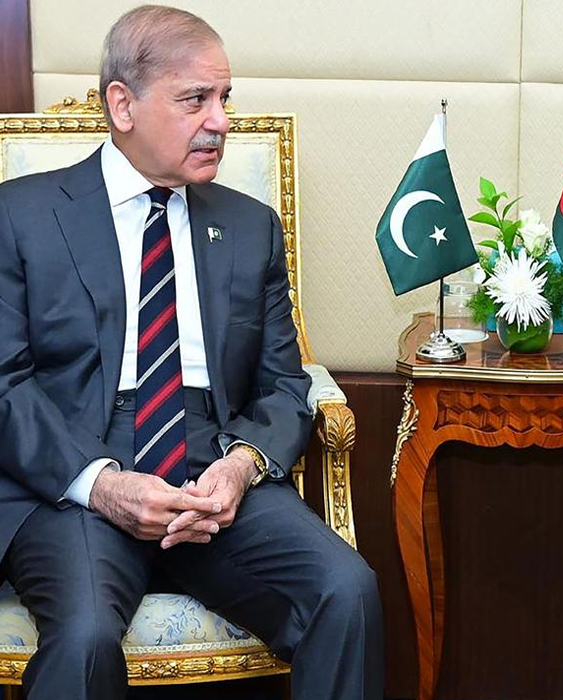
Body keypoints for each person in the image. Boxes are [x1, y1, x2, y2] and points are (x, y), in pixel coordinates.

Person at [0, 6, 383, 699]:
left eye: (225, 98)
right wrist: (103, 484)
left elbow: (283, 383)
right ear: (123, 105)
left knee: (345, 589)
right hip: (75, 475)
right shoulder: (20, 215)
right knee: (83, 637)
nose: (221, 121)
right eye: (195, 99)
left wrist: (241, 466)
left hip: (211, 464)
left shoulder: (248, 226)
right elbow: (6, 384)